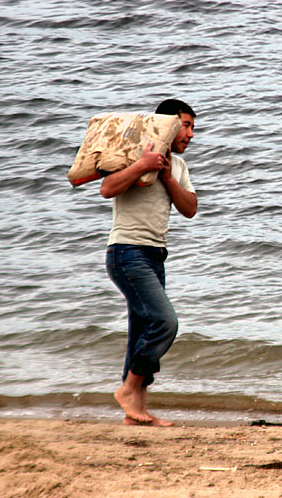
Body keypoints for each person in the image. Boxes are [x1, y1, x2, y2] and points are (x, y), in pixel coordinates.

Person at [101, 99, 198, 426]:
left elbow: (190, 209)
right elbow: (107, 188)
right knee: (165, 323)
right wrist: (143, 165)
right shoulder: (134, 153)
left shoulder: (180, 168)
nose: (190, 134)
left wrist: (168, 176)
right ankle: (129, 390)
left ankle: (136, 412)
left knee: (141, 328)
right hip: (126, 252)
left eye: (193, 128)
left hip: (156, 256)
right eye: (186, 125)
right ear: (168, 124)